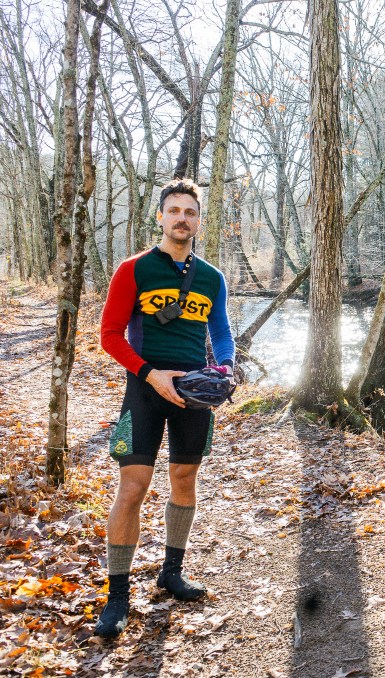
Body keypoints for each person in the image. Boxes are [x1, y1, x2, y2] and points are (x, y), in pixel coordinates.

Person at [94, 179, 236, 639]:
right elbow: (110, 335)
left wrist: (225, 368)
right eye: (174, 210)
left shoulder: (212, 278)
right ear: (160, 216)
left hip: (194, 394)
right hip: (145, 390)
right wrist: (151, 374)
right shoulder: (133, 269)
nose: (181, 218)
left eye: (190, 212)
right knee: (133, 487)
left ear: (199, 221)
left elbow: (222, 332)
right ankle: (117, 596)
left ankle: (171, 572)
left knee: (185, 478)